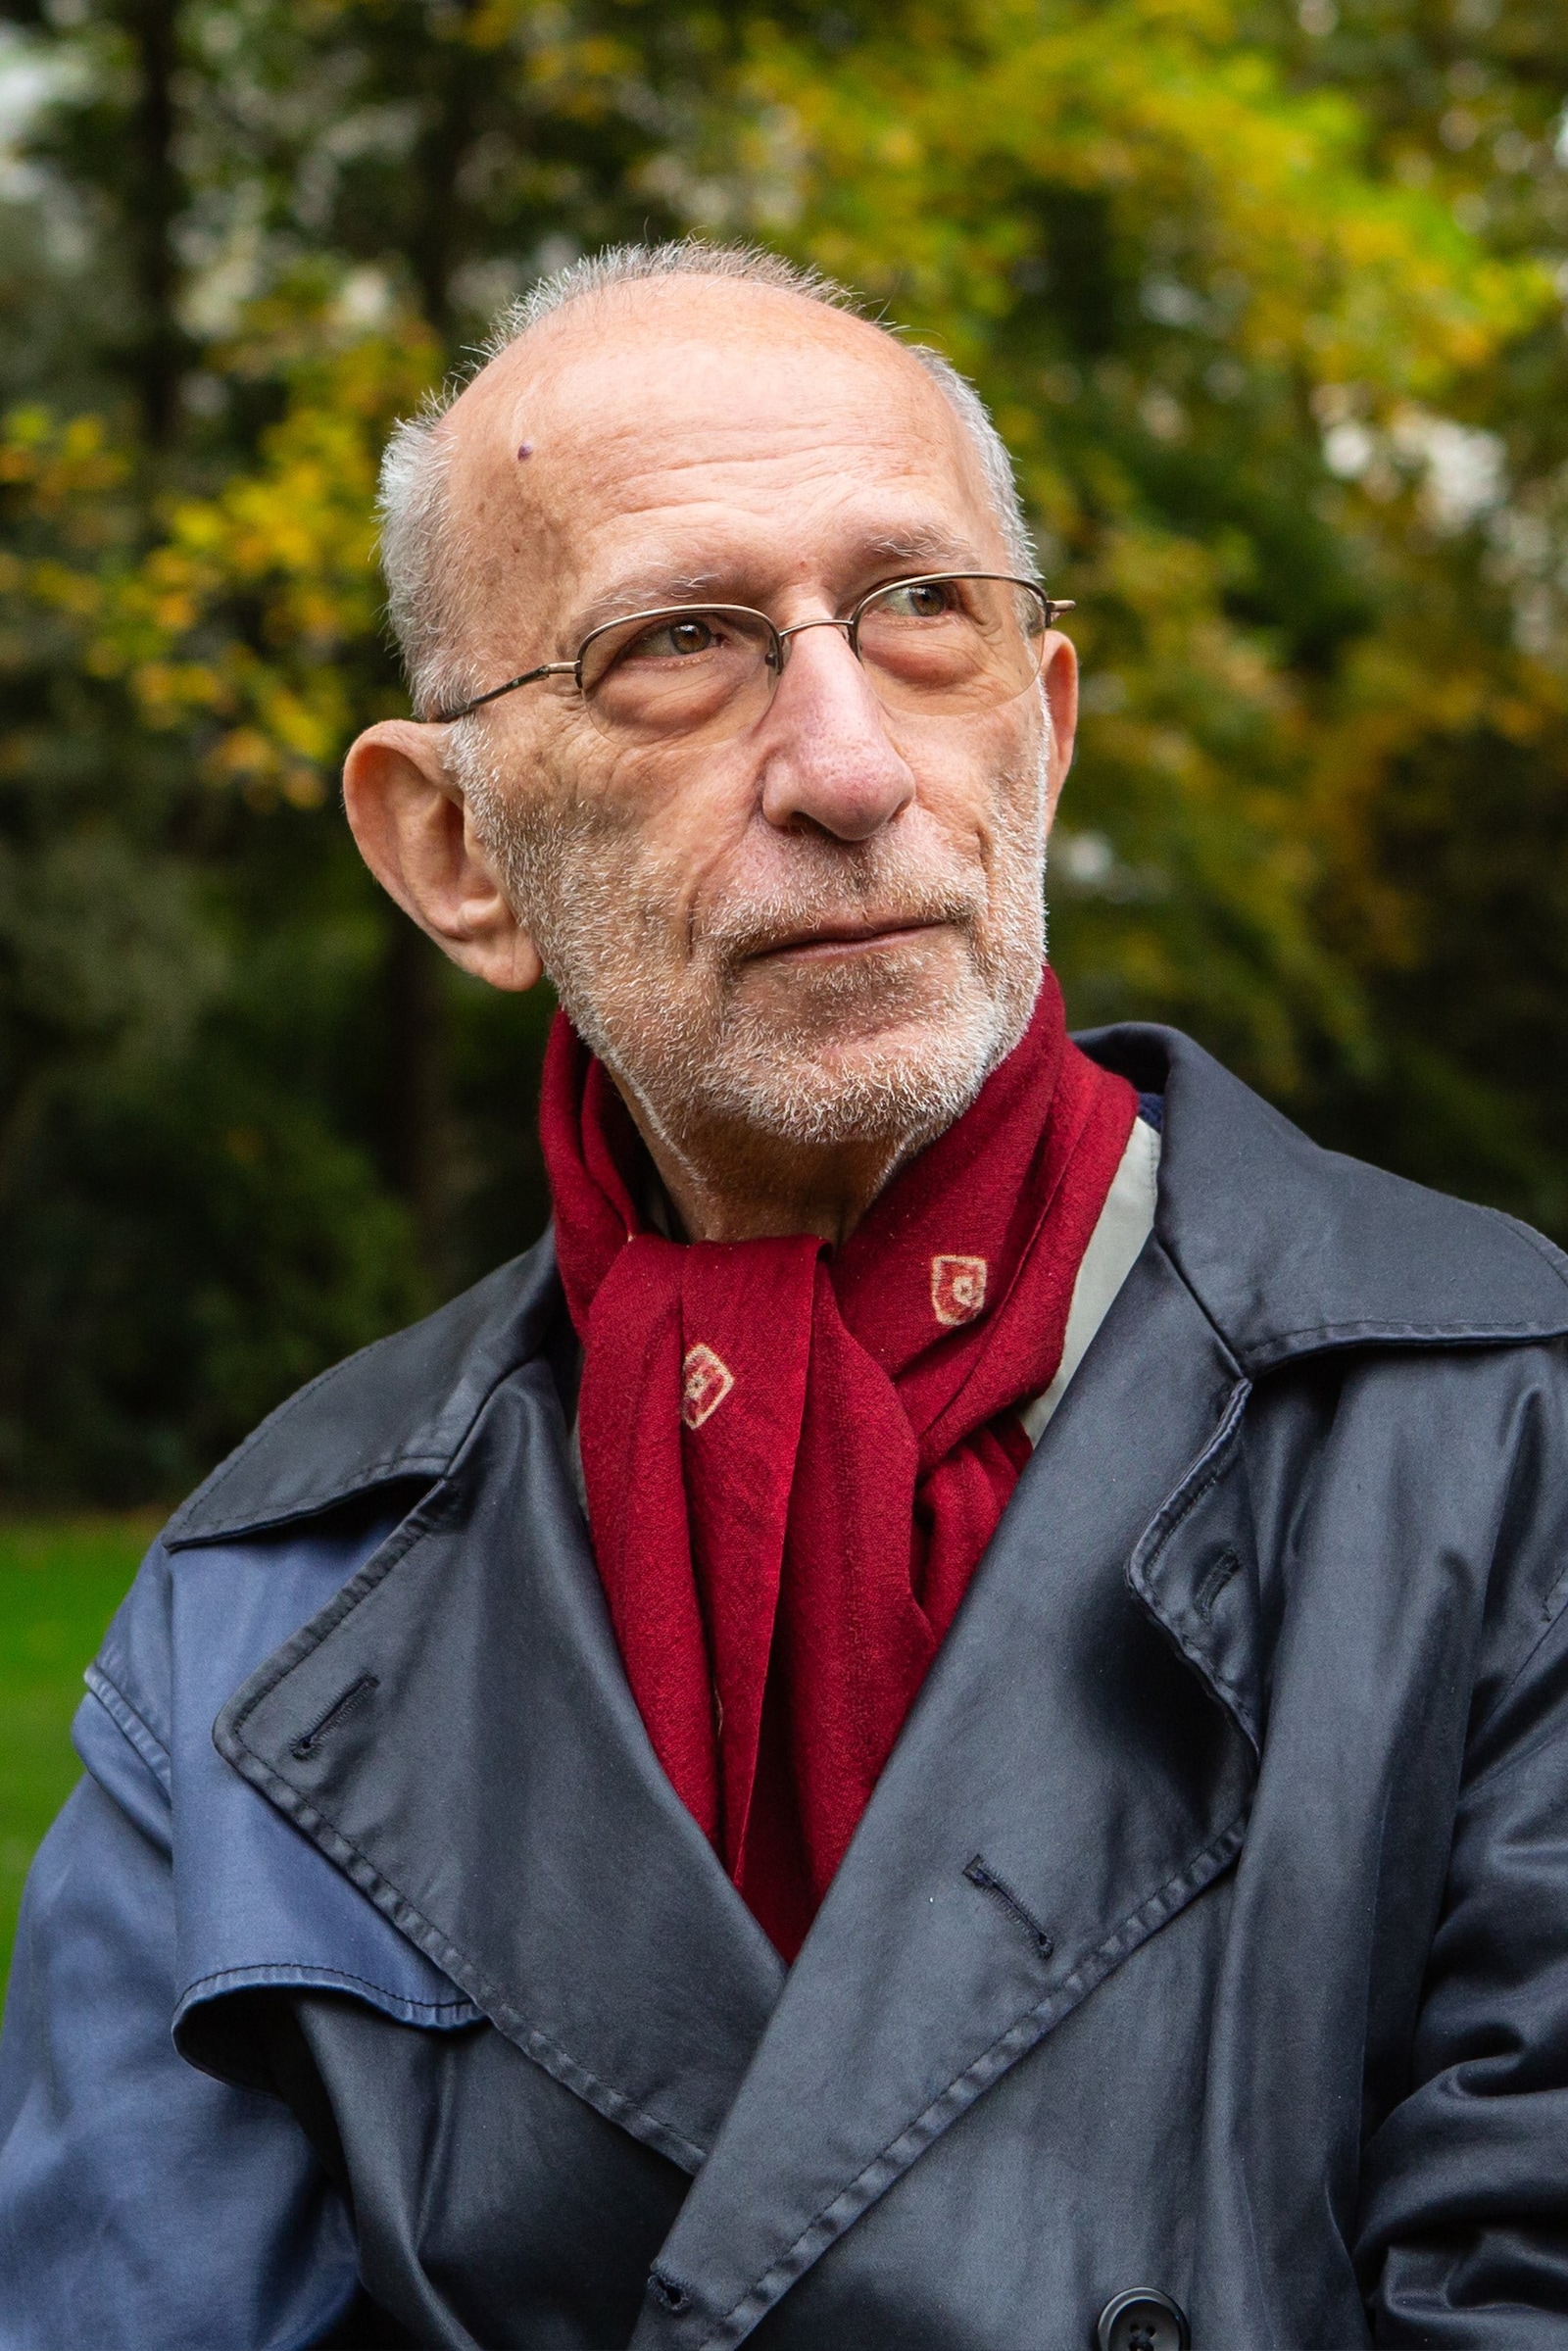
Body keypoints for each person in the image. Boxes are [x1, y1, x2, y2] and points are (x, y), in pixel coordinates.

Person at [4, 238, 1568, 2351]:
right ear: (451, 851)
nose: (845, 766)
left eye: (922, 612)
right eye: (679, 643)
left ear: (1042, 719)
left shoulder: (1504, 1437)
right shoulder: (262, 1613)